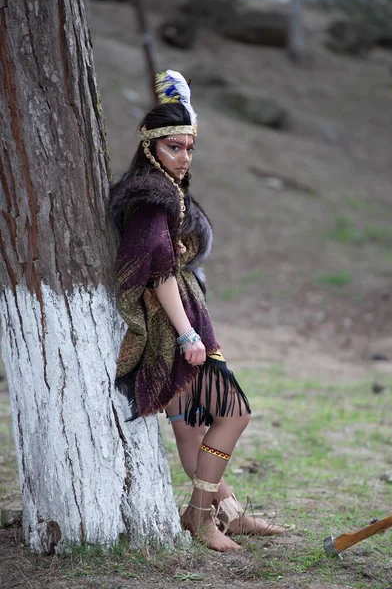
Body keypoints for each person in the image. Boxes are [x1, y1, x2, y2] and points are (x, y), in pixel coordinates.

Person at [109, 71, 284, 552]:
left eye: (189, 148)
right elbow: (160, 271)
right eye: (174, 148)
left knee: (191, 428)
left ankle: (229, 513)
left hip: (185, 313)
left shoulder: (167, 189)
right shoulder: (151, 197)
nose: (184, 157)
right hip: (171, 327)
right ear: (150, 148)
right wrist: (187, 335)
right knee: (234, 413)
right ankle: (201, 516)